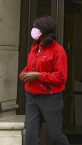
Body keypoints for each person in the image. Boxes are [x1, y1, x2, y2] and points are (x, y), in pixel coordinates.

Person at [20, 15, 70, 145]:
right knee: (30, 136)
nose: (33, 29)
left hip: (50, 97)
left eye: (35, 27)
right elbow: (31, 66)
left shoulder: (58, 51)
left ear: (44, 30)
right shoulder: (35, 47)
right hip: (31, 96)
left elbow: (61, 77)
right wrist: (24, 73)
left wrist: (38, 76)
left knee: (55, 135)